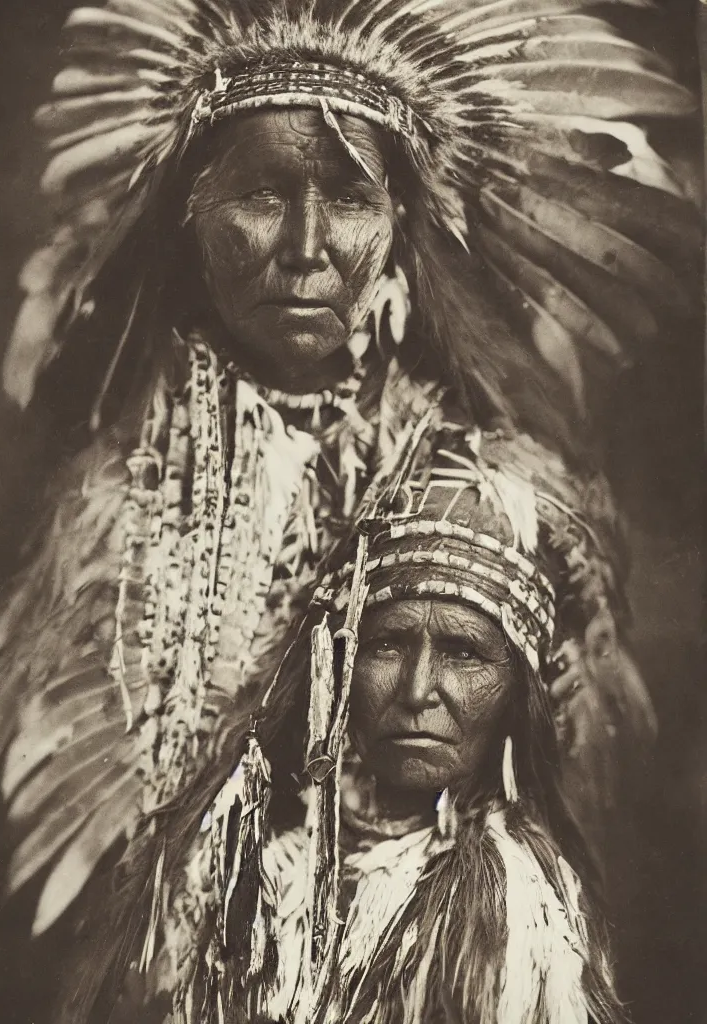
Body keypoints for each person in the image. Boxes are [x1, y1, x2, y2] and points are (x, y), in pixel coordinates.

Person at [0, 0, 696, 1019]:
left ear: (402, 223)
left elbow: (563, 814)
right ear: (191, 212)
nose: (304, 245)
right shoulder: (110, 520)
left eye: (348, 196)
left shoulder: (511, 499)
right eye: (260, 193)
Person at [132, 420, 629, 1024]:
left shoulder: (520, 918)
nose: (418, 691)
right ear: (341, 662)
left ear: (517, 695)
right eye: (388, 645)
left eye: (464, 652)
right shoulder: (249, 865)